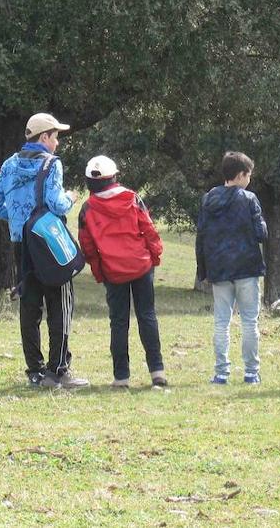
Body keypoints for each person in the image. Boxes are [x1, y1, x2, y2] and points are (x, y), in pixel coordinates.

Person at [0, 113, 88, 390]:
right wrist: (71, 198)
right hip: (48, 241)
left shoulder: (9, 164)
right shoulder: (52, 164)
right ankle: (58, 370)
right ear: (44, 138)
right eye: (55, 137)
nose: (57, 143)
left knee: (30, 306)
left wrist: (18, 217)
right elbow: (56, 203)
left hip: (21, 243)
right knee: (60, 303)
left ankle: (35, 370)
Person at [78, 155, 167, 389]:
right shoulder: (132, 198)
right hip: (140, 265)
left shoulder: (87, 209)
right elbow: (148, 228)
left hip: (112, 270)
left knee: (118, 322)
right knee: (147, 315)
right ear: (114, 176)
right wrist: (154, 256)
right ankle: (157, 371)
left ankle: (121, 377)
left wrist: (99, 272)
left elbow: (88, 247)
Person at [195, 151, 268, 386]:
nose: (250, 179)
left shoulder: (208, 200)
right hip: (246, 266)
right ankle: (251, 371)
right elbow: (261, 234)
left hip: (219, 267)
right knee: (249, 321)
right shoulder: (248, 199)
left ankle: (221, 372)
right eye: (249, 175)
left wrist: (202, 269)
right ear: (240, 175)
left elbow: (201, 236)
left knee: (221, 321)